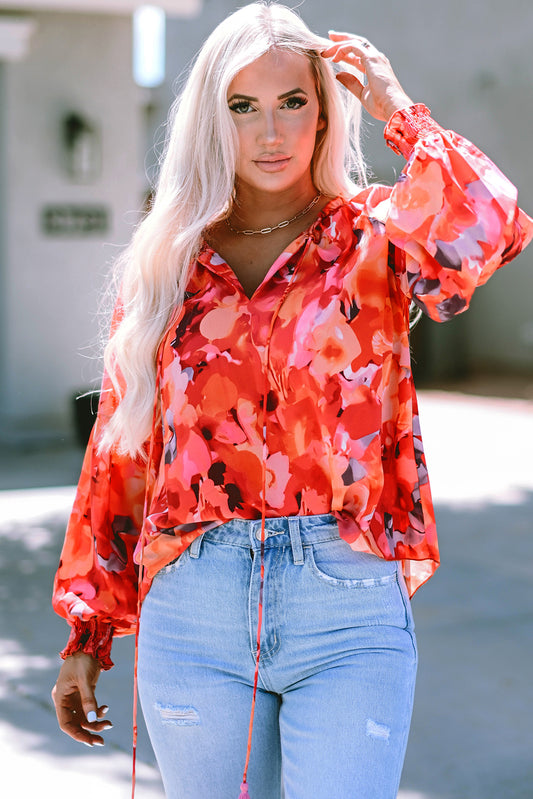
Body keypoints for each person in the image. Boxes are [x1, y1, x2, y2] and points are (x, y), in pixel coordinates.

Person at [51, 3, 532, 798]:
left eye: (292, 102)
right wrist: (88, 628)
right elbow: (122, 448)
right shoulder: (167, 263)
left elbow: (494, 224)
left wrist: (395, 107)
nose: (269, 132)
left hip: (345, 602)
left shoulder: (374, 238)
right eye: (242, 106)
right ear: (213, 118)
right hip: (192, 605)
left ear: (323, 110)